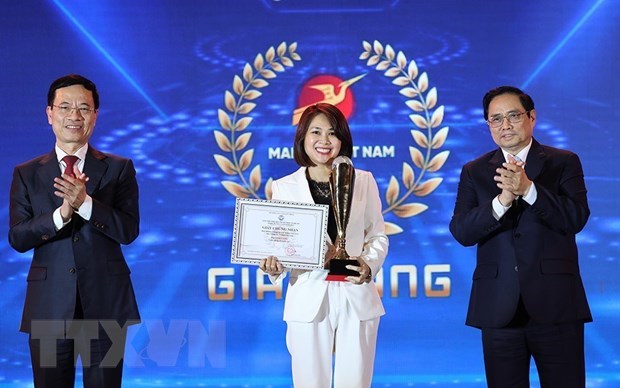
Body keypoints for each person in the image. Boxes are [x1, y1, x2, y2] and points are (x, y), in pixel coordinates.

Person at [449, 86, 592, 387]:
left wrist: (528, 189)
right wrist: (501, 202)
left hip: (556, 305)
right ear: (488, 124)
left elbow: (575, 218)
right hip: (498, 308)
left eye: (513, 116)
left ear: (531, 117)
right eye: (495, 119)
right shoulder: (474, 171)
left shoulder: (563, 161)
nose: (505, 125)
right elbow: (462, 231)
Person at [8, 74, 141, 387]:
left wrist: (85, 204)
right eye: (65, 107)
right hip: (48, 307)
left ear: (95, 116)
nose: (75, 115)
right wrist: (61, 214)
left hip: (106, 305)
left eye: (84, 108)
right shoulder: (27, 174)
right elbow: (18, 237)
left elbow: (128, 230)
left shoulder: (118, 168)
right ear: (50, 113)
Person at [261, 103, 388, 387]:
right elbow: (280, 245)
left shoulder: (364, 181)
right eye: (316, 132)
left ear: (343, 139)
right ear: (302, 138)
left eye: (333, 133)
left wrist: (368, 265)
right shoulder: (284, 187)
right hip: (308, 296)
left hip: (355, 294)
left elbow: (378, 235)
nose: (324, 141)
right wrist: (274, 266)